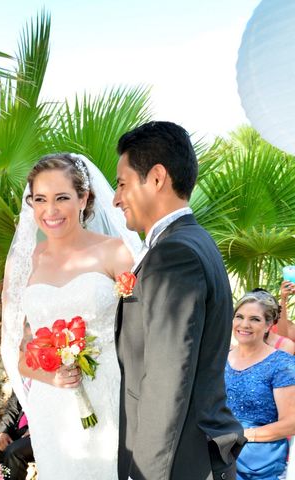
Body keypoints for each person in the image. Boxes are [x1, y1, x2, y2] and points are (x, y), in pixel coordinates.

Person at [112, 120, 245, 480]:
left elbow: (166, 380)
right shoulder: (192, 240)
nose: (116, 198)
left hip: (181, 461)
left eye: (122, 184)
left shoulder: (174, 254)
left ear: (156, 177)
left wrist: (145, 475)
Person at [1, 153, 141, 479]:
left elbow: (145, 329)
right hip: (53, 409)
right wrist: (52, 377)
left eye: (62, 198)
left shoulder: (116, 252)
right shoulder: (24, 264)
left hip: (113, 398)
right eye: (40, 199)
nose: (50, 211)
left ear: (84, 198)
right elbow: (20, 356)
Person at [226, 290, 295, 479]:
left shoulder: (282, 364)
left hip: (259, 462)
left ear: (268, 325)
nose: (244, 324)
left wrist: (244, 435)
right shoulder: (221, 358)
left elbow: (291, 423)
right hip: (217, 453)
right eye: (239, 317)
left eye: (255, 319)